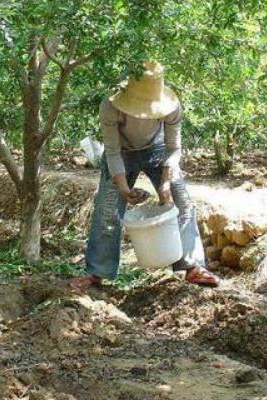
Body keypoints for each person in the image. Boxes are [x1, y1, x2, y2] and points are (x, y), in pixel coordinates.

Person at [70, 62, 220, 292]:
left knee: (182, 201)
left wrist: (166, 183)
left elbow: (174, 148)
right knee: (108, 209)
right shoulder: (110, 106)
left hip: (158, 151)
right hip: (121, 152)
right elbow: (111, 151)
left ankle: (193, 266)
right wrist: (122, 186)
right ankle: (96, 272)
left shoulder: (172, 107)